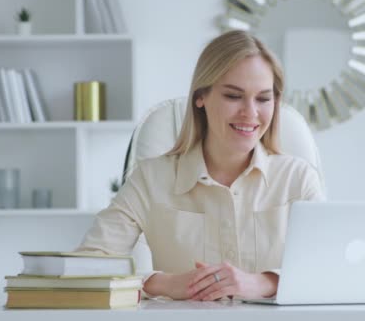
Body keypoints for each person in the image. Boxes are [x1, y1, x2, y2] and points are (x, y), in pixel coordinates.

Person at [76, 30, 324, 301]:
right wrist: (162, 283)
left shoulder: (298, 179)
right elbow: (85, 269)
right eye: (233, 96)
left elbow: (330, 269)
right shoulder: (150, 179)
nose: (250, 113)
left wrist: (265, 283)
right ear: (200, 97)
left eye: (263, 99)